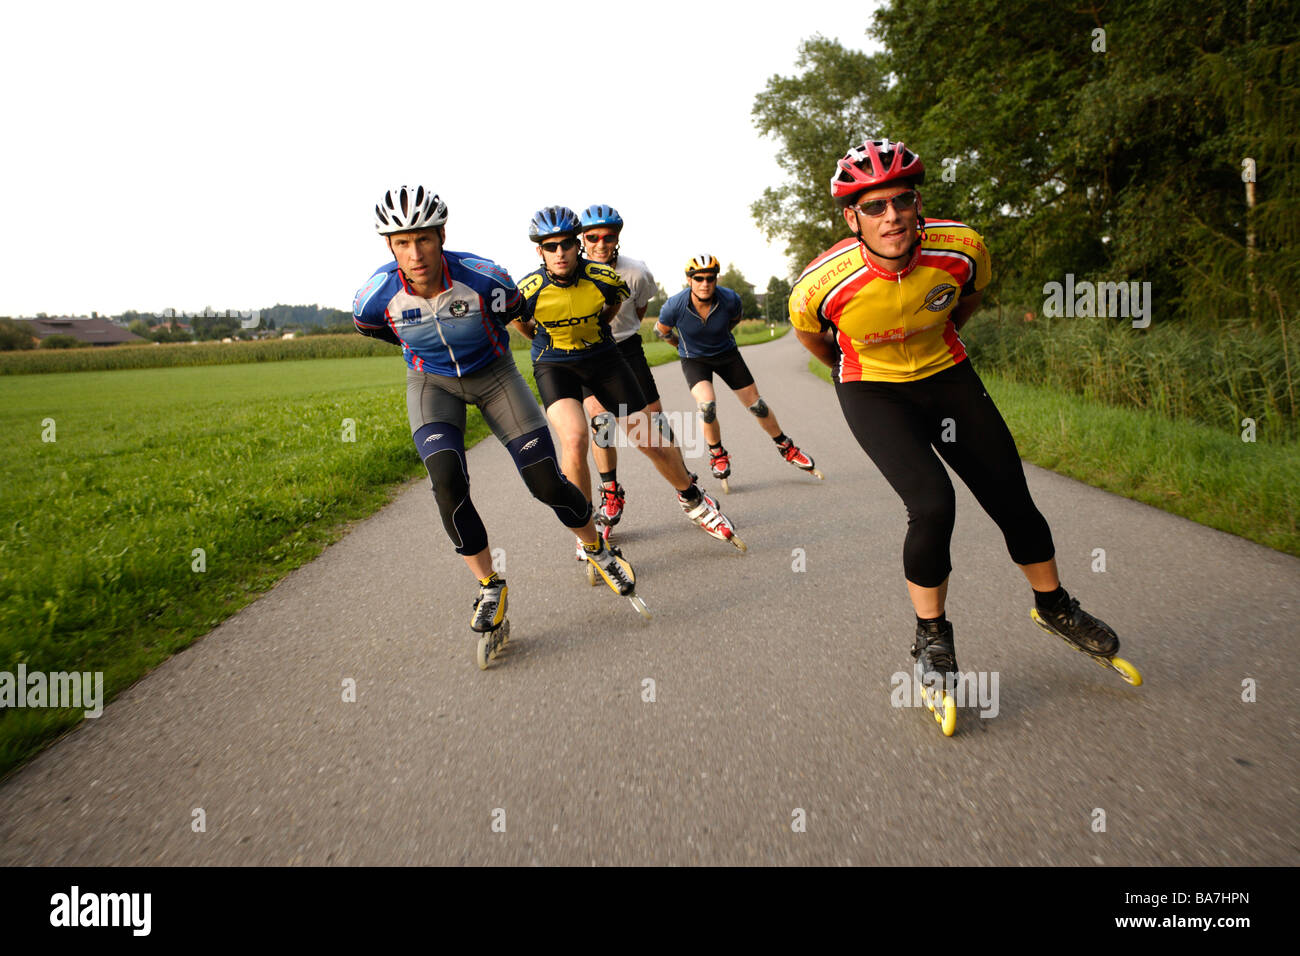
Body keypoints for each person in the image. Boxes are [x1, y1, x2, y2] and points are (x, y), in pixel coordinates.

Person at [788, 139, 1128, 713]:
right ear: (852, 218)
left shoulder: (961, 247)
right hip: (873, 390)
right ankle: (932, 637)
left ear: (917, 203)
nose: (891, 216)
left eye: (902, 201)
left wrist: (937, 341)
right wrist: (859, 373)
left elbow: (965, 299)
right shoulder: (820, 283)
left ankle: (1054, 607)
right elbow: (815, 340)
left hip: (947, 375)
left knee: (1010, 497)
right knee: (933, 504)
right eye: (874, 207)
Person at [351, 185, 639, 645]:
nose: (415, 252)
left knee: (545, 480)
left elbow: (518, 314)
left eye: (423, 238)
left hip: (495, 376)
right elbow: (378, 330)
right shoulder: (373, 298)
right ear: (389, 244)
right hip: (432, 383)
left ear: (442, 234)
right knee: (446, 481)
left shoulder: (486, 279)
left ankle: (597, 546)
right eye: (402, 242)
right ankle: (489, 585)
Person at [513, 206, 742, 551]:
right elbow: (520, 321)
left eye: (565, 244)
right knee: (577, 439)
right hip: (555, 364)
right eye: (549, 246)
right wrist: (549, 341)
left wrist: (593, 333)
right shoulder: (527, 288)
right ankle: (587, 529)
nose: (559, 253)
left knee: (647, 436)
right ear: (539, 250)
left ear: (576, 245)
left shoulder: (608, 278)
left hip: (604, 359)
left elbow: (615, 310)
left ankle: (692, 497)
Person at [656, 254, 819, 491]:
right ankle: (717, 453)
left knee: (757, 406)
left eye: (710, 278)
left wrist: (719, 338)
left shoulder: (730, 299)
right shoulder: (675, 305)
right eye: (698, 278)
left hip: (727, 354)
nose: (705, 283)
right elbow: (662, 331)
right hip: (695, 360)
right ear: (689, 280)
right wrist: (680, 346)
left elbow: (734, 320)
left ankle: (786, 447)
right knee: (707, 406)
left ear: (716, 279)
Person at [577, 204, 690, 532]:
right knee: (601, 421)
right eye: (593, 237)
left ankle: (683, 479)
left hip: (625, 347)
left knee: (655, 416)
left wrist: (621, 333)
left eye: (608, 237)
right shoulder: (574, 272)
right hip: (586, 353)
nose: (600, 244)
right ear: (583, 239)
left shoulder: (636, 272)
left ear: (617, 238)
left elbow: (640, 310)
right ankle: (610, 492)